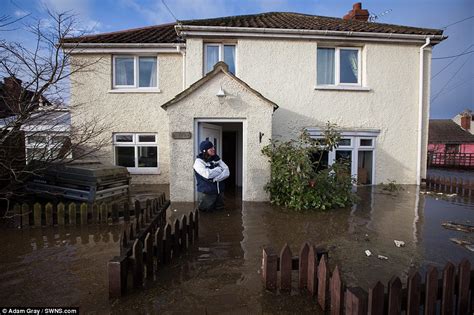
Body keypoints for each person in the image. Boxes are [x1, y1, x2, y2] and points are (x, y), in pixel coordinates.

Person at [193, 140, 230, 212]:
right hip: (207, 193)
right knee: (205, 213)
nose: (214, 149)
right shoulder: (198, 162)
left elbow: (227, 171)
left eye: (213, 147)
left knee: (220, 211)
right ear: (205, 151)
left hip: (220, 191)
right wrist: (219, 169)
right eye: (211, 148)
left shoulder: (216, 158)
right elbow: (208, 174)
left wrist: (216, 179)